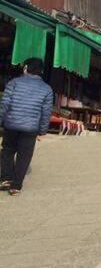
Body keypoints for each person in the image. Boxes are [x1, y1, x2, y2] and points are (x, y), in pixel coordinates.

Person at [0, 58, 53, 195]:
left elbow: (5, 104)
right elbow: (45, 112)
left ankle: (6, 178)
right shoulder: (47, 89)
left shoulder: (14, 83)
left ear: (25, 68)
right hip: (31, 128)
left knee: (7, 150)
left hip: (11, 124)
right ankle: (16, 186)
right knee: (24, 156)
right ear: (41, 72)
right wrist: (42, 130)